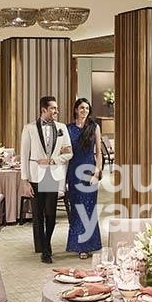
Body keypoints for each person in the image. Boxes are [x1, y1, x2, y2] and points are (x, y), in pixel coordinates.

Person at [21, 96, 73, 263]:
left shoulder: (61, 128)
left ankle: (46, 244)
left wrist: (53, 161)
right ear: (43, 109)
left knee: (50, 214)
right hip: (35, 175)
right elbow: (24, 155)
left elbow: (69, 153)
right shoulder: (29, 128)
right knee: (38, 215)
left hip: (51, 174)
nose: (57, 111)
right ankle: (44, 248)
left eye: (56, 108)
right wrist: (25, 180)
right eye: (53, 108)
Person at [65, 98, 103, 259]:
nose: (84, 111)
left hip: (89, 172)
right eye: (81, 108)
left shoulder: (94, 127)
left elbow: (99, 153)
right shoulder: (68, 128)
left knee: (88, 209)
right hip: (73, 173)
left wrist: (97, 174)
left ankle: (87, 246)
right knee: (76, 209)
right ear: (76, 110)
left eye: (87, 108)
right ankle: (78, 245)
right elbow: (65, 153)